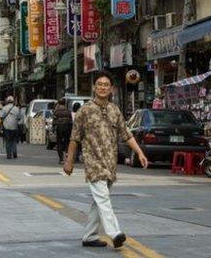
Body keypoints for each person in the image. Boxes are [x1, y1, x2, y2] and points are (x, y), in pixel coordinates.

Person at [63, 72, 149, 249]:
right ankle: (114, 233)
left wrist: (140, 152)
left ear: (111, 89)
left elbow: (126, 134)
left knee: (99, 200)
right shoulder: (84, 110)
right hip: (93, 163)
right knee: (103, 199)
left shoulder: (114, 110)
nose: (102, 87)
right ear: (94, 88)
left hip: (110, 163)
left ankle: (89, 236)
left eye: (106, 85)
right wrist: (69, 161)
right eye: (99, 84)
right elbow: (74, 138)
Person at [53, 98, 73, 164]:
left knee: (59, 143)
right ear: (65, 103)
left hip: (60, 127)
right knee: (67, 142)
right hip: (67, 127)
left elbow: (54, 121)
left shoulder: (56, 111)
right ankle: (67, 154)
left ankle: (61, 159)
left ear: (59, 103)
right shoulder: (68, 111)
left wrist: (53, 129)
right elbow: (71, 121)